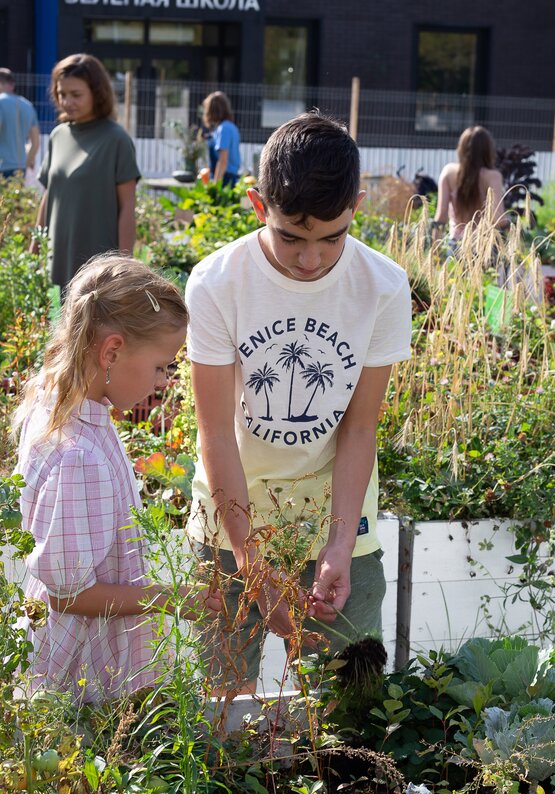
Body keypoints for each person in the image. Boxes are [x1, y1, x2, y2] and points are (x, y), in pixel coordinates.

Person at [184, 112, 413, 695]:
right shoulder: (216, 283)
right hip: (229, 527)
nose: (310, 259)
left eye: (331, 237)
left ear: (357, 206)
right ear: (259, 206)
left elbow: (360, 432)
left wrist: (338, 545)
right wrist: (250, 561)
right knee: (221, 712)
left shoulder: (383, 287)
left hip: (340, 526)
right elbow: (214, 433)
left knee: (351, 707)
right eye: (291, 236)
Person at [14, 253, 222, 703]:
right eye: (161, 366)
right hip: (82, 668)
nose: (166, 381)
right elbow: (69, 597)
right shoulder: (79, 457)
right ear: (111, 351)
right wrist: (171, 597)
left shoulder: (60, 405)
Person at [33, 54, 141, 292]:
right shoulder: (58, 136)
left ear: (97, 93)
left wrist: (123, 267)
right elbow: (49, 196)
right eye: (62, 94)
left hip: (97, 271)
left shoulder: (116, 140)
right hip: (56, 263)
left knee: (91, 328)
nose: (67, 101)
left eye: (76, 94)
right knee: (54, 322)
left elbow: (127, 207)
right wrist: (34, 249)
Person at [434, 125, 509, 243]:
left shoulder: (448, 172)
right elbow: (498, 218)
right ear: (488, 150)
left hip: (455, 244)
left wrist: (433, 252)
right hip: (483, 246)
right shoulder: (493, 176)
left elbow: (441, 216)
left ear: (461, 148)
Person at [0, 68, 40, 179]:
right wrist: (26, 163)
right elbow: (35, 143)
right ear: (12, 84)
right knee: (14, 197)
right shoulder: (28, 105)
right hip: (19, 168)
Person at [202, 91, 241, 187]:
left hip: (225, 179)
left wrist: (216, 186)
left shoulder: (224, 129)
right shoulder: (230, 127)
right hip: (231, 176)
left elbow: (223, 160)